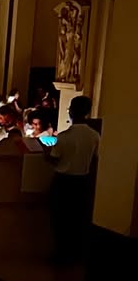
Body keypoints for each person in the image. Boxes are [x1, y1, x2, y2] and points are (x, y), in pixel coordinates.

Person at [47, 94, 100, 264]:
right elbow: (96, 159)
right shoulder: (94, 136)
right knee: (77, 219)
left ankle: (61, 254)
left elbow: (55, 158)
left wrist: (45, 154)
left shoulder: (64, 137)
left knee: (61, 220)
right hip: (83, 182)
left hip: (64, 181)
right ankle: (75, 255)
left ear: (71, 112)